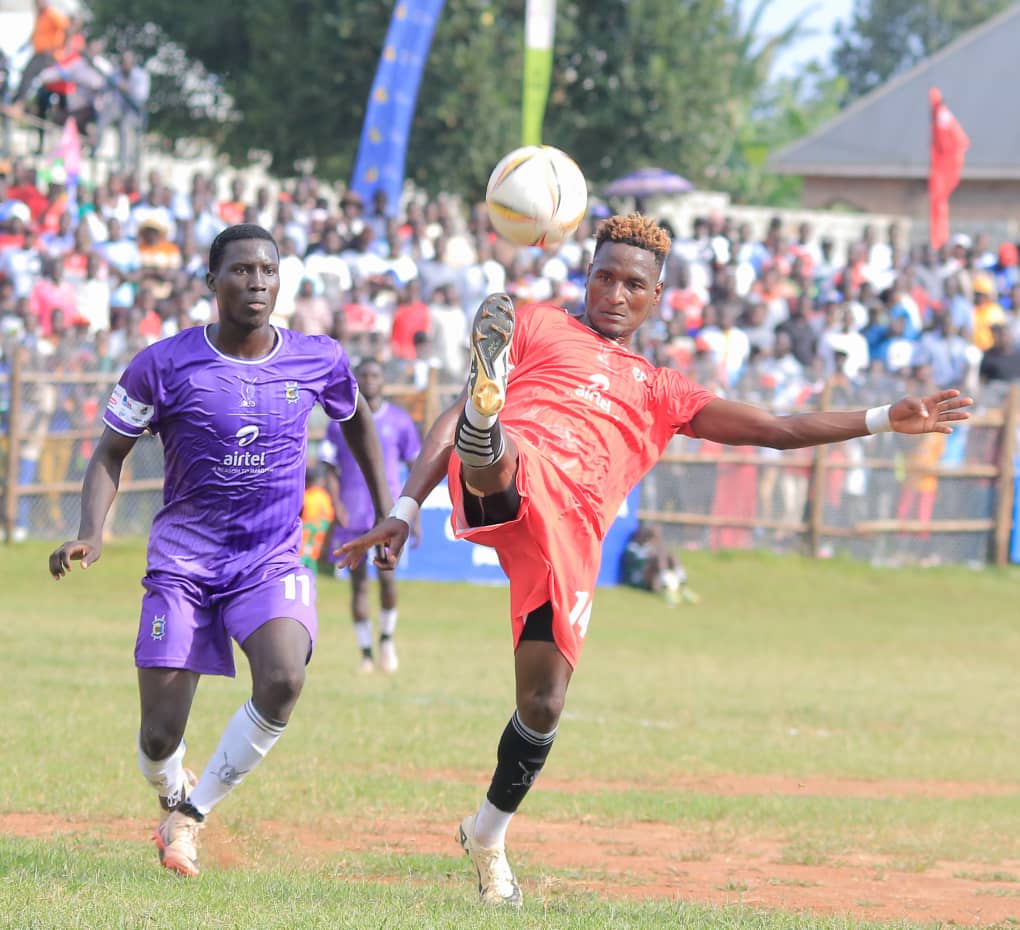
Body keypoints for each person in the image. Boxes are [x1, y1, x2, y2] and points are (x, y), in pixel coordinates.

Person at [335, 213, 972, 908]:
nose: (613, 291)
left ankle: (487, 834)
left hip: (573, 538)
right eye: (602, 276)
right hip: (523, 478)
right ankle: (488, 440)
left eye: (631, 283)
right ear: (586, 277)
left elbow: (777, 429)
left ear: (656, 296)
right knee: (496, 445)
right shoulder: (539, 327)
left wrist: (883, 416)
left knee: (543, 705)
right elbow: (445, 418)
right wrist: (403, 507)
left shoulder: (664, 390)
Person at [47, 224, 393, 878]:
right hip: (182, 566)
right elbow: (108, 454)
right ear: (212, 282)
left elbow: (359, 423)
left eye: (267, 269)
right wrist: (92, 531)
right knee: (157, 737)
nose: (255, 282)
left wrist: (389, 509)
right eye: (240, 270)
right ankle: (172, 788)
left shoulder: (317, 358)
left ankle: (191, 816)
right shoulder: (162, 364)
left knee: (286, 677)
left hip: (269, 561)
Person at [320, 357, 421, 673]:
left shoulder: (400, 421)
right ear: (358, 380)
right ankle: (365, 653)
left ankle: (386, 640)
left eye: (375, 374)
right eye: (363, 375)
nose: (370, 379)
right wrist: (336, 504)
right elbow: (329, 466)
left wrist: (411, 514)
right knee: (359, 584)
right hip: (354, 515)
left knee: (388, 582)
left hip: (387, 514)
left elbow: (415, 465)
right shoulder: (339, 424)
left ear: (383, 380)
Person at [620, 522, 697, 605]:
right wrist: (652, 558)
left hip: (651, 576)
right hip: (639, 580)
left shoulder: (648, 546)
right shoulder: (631, 549)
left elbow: (662, 551)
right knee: (658, 558)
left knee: (671, 556)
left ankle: (683, 585)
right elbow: (639, 566)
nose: (645, 536)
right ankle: (667, 587)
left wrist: (657, 539)